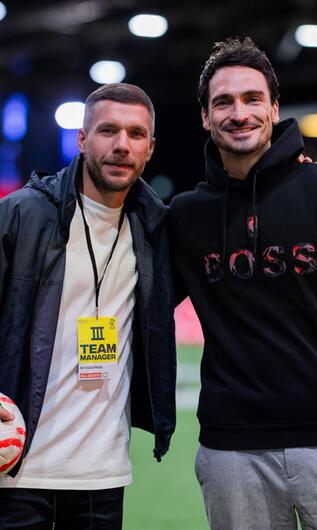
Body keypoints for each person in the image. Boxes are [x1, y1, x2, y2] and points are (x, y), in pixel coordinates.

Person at [168, 37, 317, 529]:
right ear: (205, 119)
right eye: (223, 102)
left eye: (253, 99)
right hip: (231, 451)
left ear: (275, 107)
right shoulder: (187, 216)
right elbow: (135, 301)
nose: (239, 113)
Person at [0, 83, 176, 529]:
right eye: (108, 130)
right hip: (15, 471)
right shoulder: (20, 216)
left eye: (136, 134)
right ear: (81, 139)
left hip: (101, 476)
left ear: (150, 148)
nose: (122, 145)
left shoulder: (156, 230)